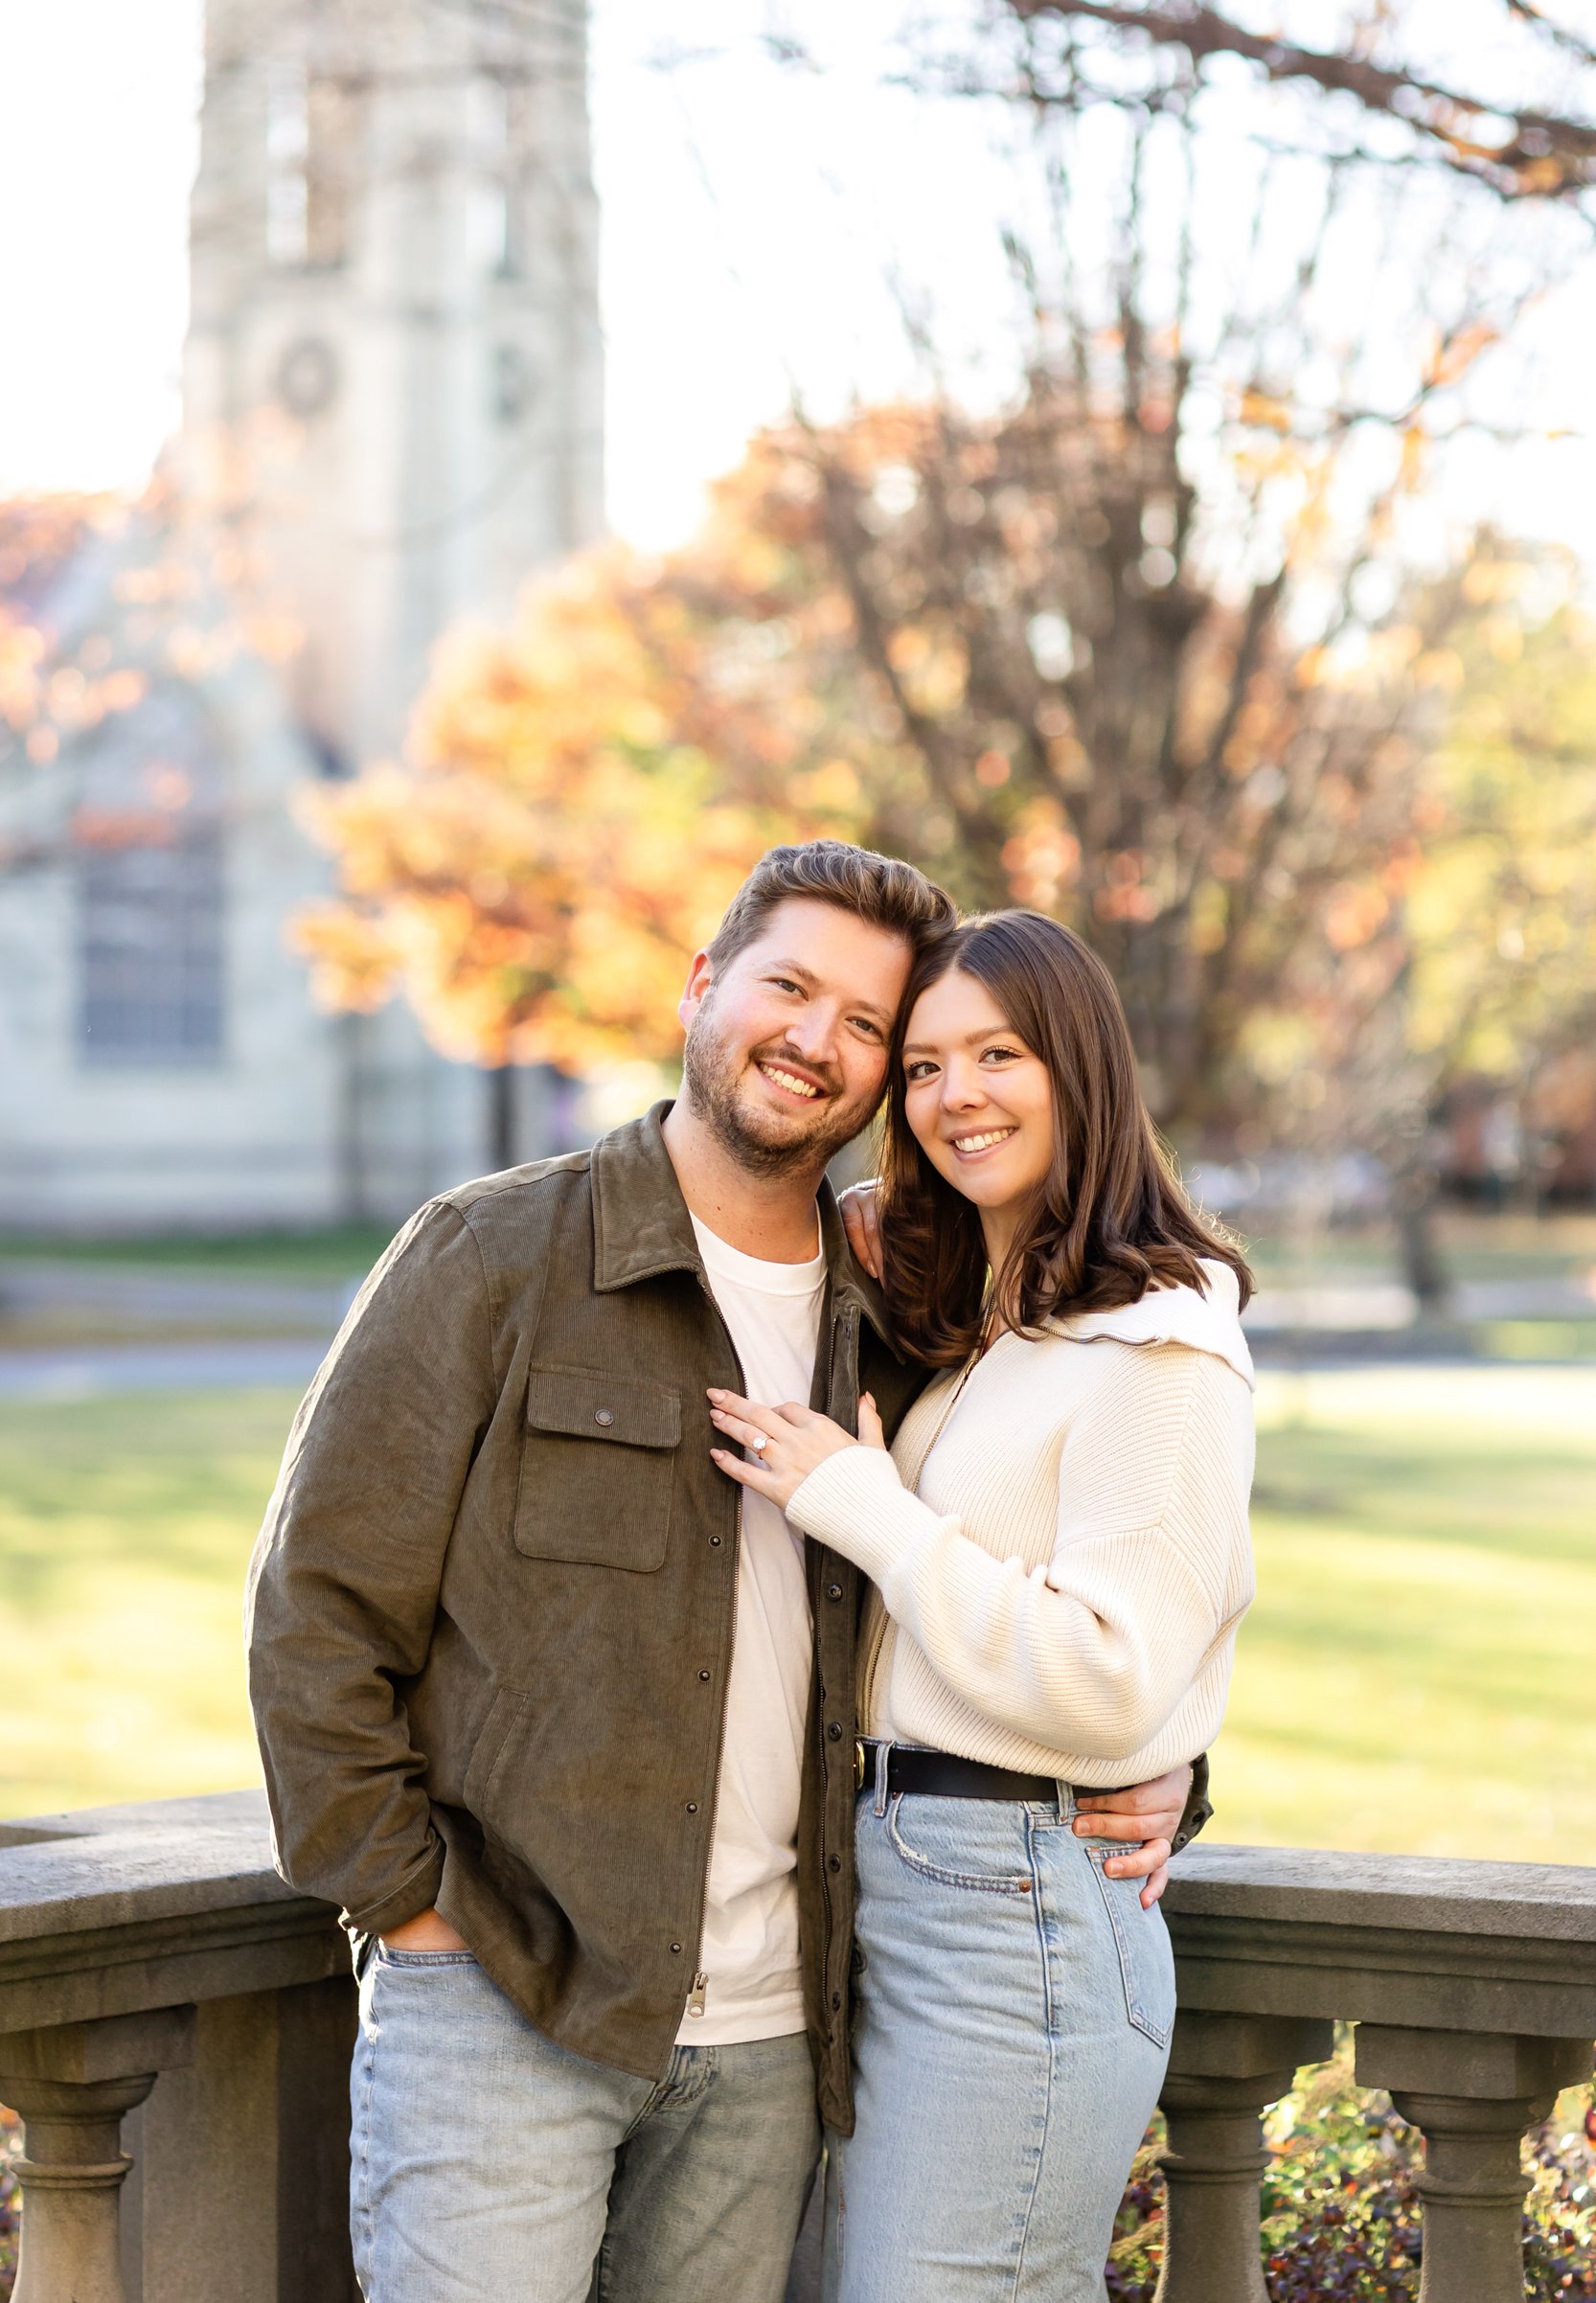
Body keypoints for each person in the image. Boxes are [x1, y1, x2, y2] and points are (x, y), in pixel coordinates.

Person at [246, 844, 1204, 2303]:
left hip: (774, 2045)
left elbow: (1064, 1571)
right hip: (507, 1997)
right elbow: (315, 1619)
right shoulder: (492, 1257)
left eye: (866, 1025)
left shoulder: (900, 1318)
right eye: (788, 988)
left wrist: (1166, 1767)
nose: (816, 1040)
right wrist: (415, 1911)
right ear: (703, 986)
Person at [706, 907, 1257, 2303]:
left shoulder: (1162, 1341)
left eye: (998, 1055)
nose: (956, 1098)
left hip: (1013, 1916)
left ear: (1078, 1067)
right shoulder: (992, 1327)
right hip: (898, 1886)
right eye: (927, 1066)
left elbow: (1108, 1675)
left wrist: (860, 1500)